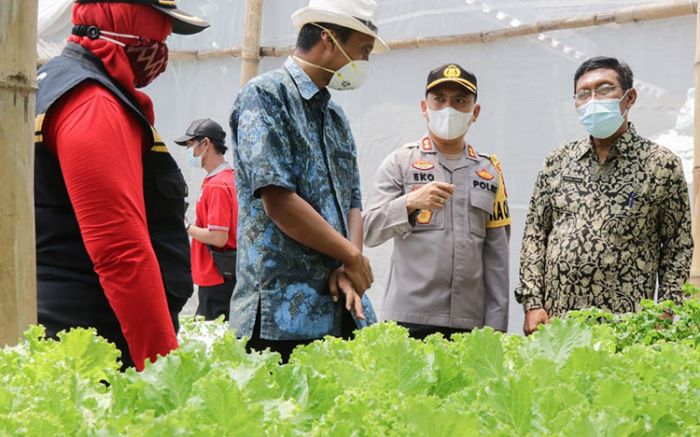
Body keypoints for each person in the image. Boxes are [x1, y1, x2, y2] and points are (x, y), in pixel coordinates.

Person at [34, 0, 209, 370]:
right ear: (124, 28)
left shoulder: (52, 82)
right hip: (98, 342)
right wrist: (162, 368)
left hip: (73, 330)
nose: (161, 52)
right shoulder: (92, 102)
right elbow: (121, 253)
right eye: (156, 35)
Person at [229, 0, 389, 362]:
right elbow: (278, 200)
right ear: (329, 39)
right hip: (279, 314)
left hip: (337, 305)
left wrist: (351, 264)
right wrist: (349, 254)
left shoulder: (335, 117)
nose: (364, 63)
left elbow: (353, 202)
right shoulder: (265, 95)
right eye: (362, 51)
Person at [516, 56, 692, 335]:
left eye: (605, 89)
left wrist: (666, 309)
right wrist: (532, 302)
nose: (593, 99)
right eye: (583, 93)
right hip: (558, 324)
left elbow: (677, 244)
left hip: (626, 324)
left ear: (629, 97)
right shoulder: (558, 161)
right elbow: (535, 235)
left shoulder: (660, 163)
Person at [363, 64, 511, 340]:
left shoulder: (489, 172)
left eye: (460, 101)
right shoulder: (400, 163)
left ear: (475, 112)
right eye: (439, 99)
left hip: (469, 323)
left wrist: (495, 330)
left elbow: (497, 258)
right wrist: (409, 202)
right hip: (408, 319)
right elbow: (368, 230)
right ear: (424, 107)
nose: (448, 109)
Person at [175, 119, 238, 321]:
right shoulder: (227, 179)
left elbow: (218, 237)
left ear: (206, 144)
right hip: (225, 277)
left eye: (191, 144)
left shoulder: (218, 185)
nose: (190, 151)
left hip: (217, 278)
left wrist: (185, 226)